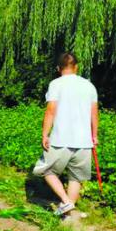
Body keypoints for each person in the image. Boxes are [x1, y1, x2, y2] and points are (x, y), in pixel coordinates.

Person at [33, 52, 99, 217]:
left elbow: (50, 111)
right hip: (84, 141)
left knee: (44, 170)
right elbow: (94, 113)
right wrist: (94, 135)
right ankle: (68, 213)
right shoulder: (89, 85)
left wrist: (44, 134)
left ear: (58, 68)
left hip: (61, 139)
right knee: (76, 177)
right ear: (76, 66)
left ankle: (66, 202)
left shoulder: (56, 84)